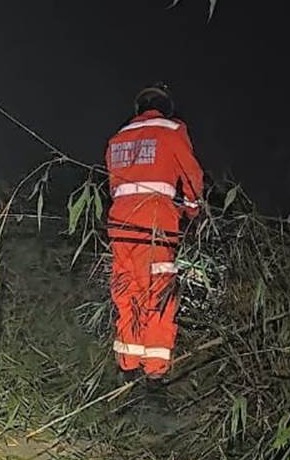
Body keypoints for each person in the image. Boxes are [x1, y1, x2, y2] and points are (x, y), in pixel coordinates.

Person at [104, 83, 204, 383]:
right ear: (166, 107)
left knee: (127, 291)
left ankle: (128, 367)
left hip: (120, 224)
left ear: (138, 109)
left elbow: (113, 187)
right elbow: (191, 175)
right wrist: (192, 210)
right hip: (156, 222)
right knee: (158, 295)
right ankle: (155, 377)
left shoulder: (117, 138)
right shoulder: (172, 130)